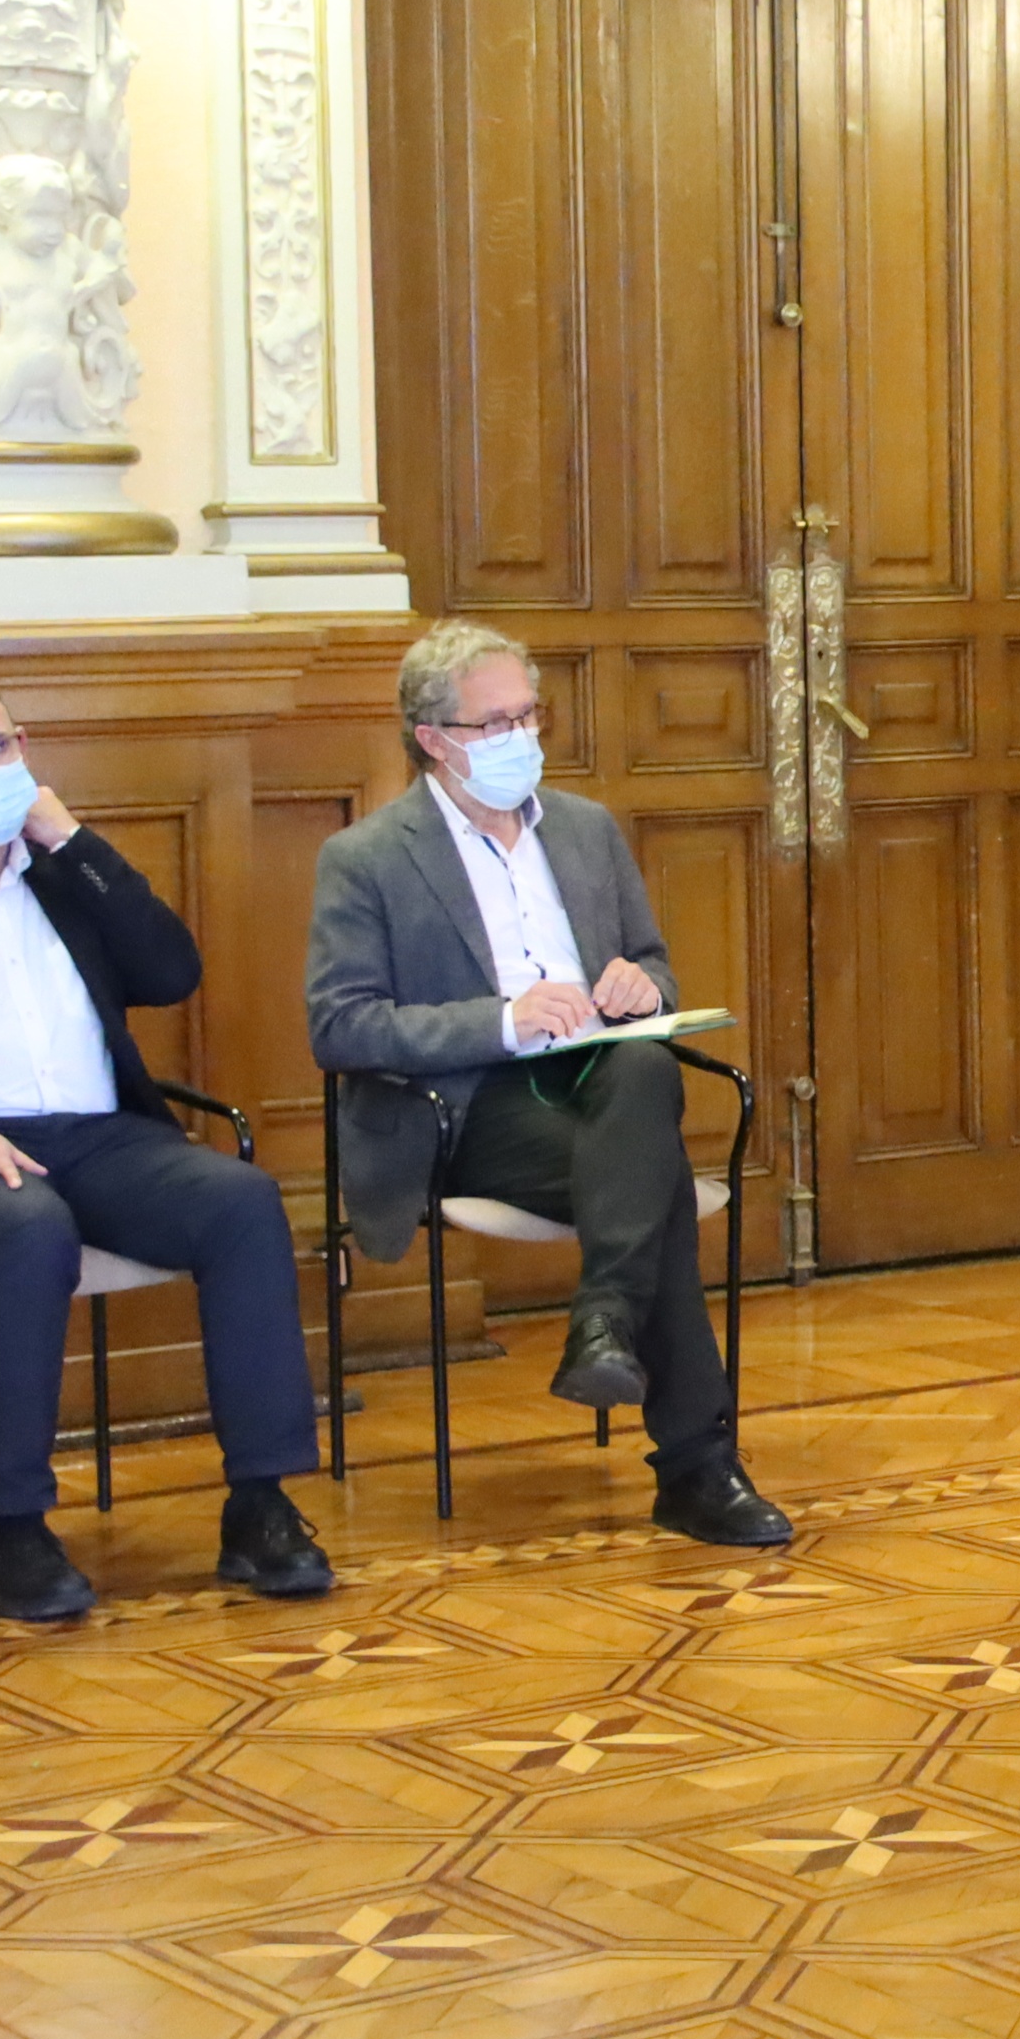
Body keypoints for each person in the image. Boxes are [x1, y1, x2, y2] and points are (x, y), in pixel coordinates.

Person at [0, 674, 335, 1623]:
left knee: (242, 1201)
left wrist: (73, 840)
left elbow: (171, 970)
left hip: (103, 1136)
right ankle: (15, 1530)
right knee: (28, 1227)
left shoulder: (64, 868)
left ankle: (260, 1504)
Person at [306, 620, 788, 1548]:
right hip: (467, 1105)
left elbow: (651, 960)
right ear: (433, 738)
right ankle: (697, 1465)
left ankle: (605, 1322)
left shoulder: (583, 827)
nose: (520, 736)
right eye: (494, 723)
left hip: (604, 1080)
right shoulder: (366, 857)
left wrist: (643, 986)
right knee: (653, 1184)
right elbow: (342, 1026)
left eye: (529, 715)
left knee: (642, 1063)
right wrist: (503, 1018)